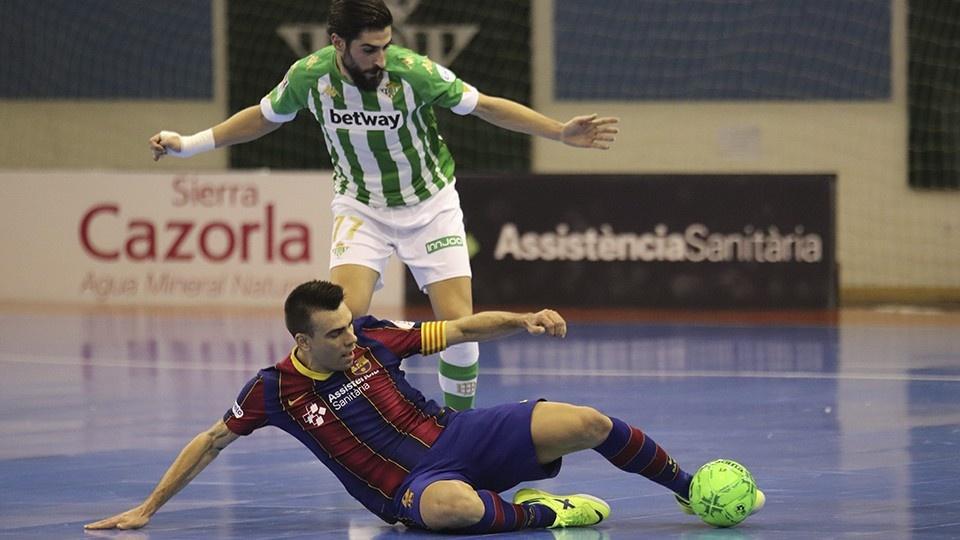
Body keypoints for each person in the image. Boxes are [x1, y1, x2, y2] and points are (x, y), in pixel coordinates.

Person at [148, 0, 620, 411]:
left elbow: (486, 105)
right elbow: (262, 117)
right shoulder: (309, 77)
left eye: (385, 46)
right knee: (342, 325)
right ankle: (371, 426)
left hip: (430, 206)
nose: (379, 58)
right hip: (361, 209)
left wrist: (558, 132)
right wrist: (189, 145)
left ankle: (460, 431)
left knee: (459, 329)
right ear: (338, 42)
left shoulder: (413, 73)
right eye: (368, 49)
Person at [85, 280, 764, 533]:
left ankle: (687, 490)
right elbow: (209, 441)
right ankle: (545, 515)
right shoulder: (273, 391)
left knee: (587, 422)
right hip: (410, 487)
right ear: (302, 340)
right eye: (335, 334)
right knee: (453, 510)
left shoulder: (376, 336)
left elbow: (461, 330)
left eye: (351, 325)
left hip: (462, 435)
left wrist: (524, 318)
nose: (351, 338)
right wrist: (148, 508)